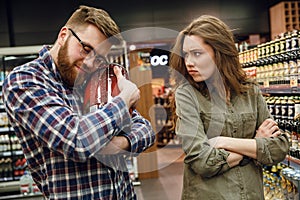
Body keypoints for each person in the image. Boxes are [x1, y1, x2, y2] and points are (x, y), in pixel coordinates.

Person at [2, 5, 155, 200]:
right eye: (86, 49)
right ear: (64, 35)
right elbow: (77, 140)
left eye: (99, 58)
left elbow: (145, 129)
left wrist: (119, 143)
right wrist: (125, 99)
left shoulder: (94, 80)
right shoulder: (25, 80)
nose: (90, 63)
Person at [169, 15, 289, 199]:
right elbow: (202, 161)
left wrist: (222, 142)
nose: (189, 62)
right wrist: (255, 146)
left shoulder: (250, 91)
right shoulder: (187, 94)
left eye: (197, 53)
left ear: (220, 52)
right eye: (186, 54)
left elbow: (278, 148)